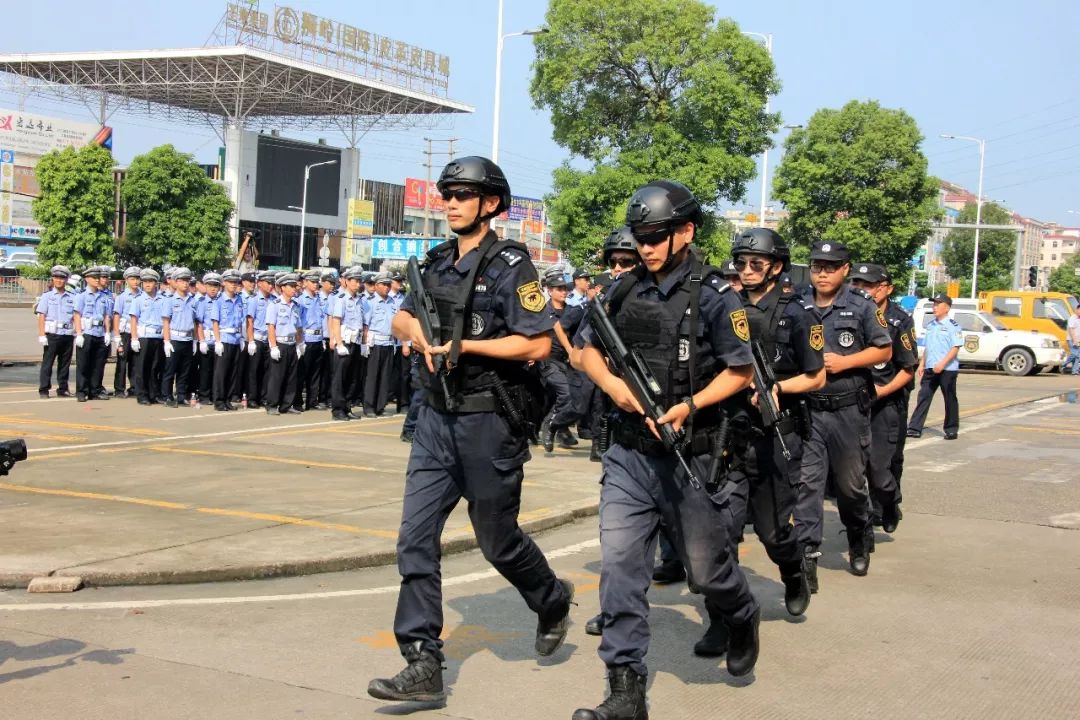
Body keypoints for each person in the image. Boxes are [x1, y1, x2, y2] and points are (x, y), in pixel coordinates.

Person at [368, 156, 573, 705]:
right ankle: (422, 659)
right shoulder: (434, 262)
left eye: (463, 194)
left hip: (488, 421)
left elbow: (536, 343)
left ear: (490, 203)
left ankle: (551, 597)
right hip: (436, 418)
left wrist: (464, 347)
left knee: (497, 541)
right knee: (415, 537)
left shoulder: (512, 267)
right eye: (448, 193)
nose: (451, 202)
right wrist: (419, 335)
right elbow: (401, 318)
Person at [574, 181, 761, 720]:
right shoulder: (621, 289)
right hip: (630, 455)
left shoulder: (715, 296)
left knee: (706, 571)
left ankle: (740, 611)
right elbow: (585, 351)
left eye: (656, 236)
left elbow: (740, 369)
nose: (647, 246)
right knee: (620, 566)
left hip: (691, 452)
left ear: (686, 232)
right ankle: (625, 690)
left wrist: (691, 405)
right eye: (640, 236)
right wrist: (615, 389)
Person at [726, 228, 824, 623]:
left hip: (777, 432)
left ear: (776, 268)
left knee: (772, 532)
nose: (746, 271)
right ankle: (726, 615)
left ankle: (793, 570)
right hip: (731, 430)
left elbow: (815, 377)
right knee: (722, 528)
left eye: (756, 264)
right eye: (741, 263)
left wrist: (778, 386)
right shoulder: (726, 308)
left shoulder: (798, 314)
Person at [795, 242, 892, 588]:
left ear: (845, 270)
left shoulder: (861, 305)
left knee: (850, 486)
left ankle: (858, 533)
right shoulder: (798, 303)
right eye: (817, 266)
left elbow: (884, 348)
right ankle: (806, 557)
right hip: (810, 410)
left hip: (849, 410)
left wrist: (845, 362)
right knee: (808, 486)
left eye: (830, 266)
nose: (822, 272)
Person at [849, 265, 918, 536]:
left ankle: (888, 503)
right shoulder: (846, 315)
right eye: (858, 284)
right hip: (852, 403)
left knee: (883, 467)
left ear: (886, 288)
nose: (863, 291)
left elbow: (907, 370)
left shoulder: (899, 321)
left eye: (870, 285)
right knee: (852, 472)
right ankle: (863, 526)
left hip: (886, 403)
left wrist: (879, 392)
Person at [906, 294, 962, 440]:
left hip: (947, 369)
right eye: (934, 304)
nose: (935, 307)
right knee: (923, 396)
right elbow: (928, 347)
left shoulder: (953, 326)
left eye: (938, 304)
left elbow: (955, 347)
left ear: (947, 307)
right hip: (931, 368)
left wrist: (942, 364)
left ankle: (951, 429)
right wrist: (922, 364)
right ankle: (914, 428)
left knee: (950, 399)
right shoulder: (931, 325)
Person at [539, 269, 583, 452]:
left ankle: (562, 429)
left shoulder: (573, 311)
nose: (563, 292)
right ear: (549, 290)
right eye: (558, 289)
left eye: (565, 288)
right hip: (546, 360)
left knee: (578, 397)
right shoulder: (542, 311)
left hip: (567, 363)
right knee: (565, 393)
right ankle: (550, 426)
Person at [328, 267, 366, 421]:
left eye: (359, 281)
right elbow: (336, 321)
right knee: (340, 377)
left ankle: (347, 406)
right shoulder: (341, 298)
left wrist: (363, 343)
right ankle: (338, 410)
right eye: (355, 281)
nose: (358, 284)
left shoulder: (359, 300)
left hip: (356, 341)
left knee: (353, 378)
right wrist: (339, 343)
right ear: (347, 281)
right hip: (345, 341)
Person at [264, 274, 304, 415]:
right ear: (282, 288)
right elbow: (271, 327)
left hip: (292, 343)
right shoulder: (274, 305)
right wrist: (273, 346)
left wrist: (300, 344)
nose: (294, 289)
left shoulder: (295, 305)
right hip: (280, 343)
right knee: (277, 376)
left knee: (291, 377)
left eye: (295, 286)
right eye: (291, 286)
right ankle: (272, 405)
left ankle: (287, 404)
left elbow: (299, 327)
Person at [72, 266, 113, 402]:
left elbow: (106, 315)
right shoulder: (81, 296)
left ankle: (95, 390)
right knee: (83, 364)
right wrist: (78, 334)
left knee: (98, 364)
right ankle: (82, 391)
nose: (97, 280)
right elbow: (77, 315)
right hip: (87, 332)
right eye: (94, 277)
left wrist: (107, 333)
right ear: (87, 279)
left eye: (98, 277)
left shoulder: (104, 296)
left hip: (100, 332)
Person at [36, 265, 77, 399]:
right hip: (52, 334)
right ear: (53, 279)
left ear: (66, 280)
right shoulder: (47, 296)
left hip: (67, 334)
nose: (59, 280)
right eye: (56, 278)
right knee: (48, 362)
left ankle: (63, 388)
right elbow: (41, 315)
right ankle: (44, 389)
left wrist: (77, 332)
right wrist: (42, 334)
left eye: (62, 278)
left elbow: (75, 316)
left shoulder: (72, 297)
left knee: (64, 364)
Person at [160, 268, 198, 407]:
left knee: (184, 371)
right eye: (182, 281)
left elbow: (195, 321)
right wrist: (166, 341)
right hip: (174, 338)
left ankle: (181, 396)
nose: (185, 284)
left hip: (187, 339)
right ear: (175, 282)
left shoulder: (192, 301)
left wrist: (194, 340)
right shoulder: (170, 300)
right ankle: (167, 396)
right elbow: (166, 321)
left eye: (187, 281)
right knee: (170, 370)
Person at [129, 269, 167, 405]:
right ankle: (142, 394)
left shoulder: (163, 300)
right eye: (145, 282)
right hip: (144, 336)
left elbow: (165, 319)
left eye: (150, 282)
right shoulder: (138, 300)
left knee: (155, 367)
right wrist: (134, 338)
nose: (147, 284)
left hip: (158, 336)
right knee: (142, 367)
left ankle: (153, 393)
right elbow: (134, 319)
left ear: (156, 283)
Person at [211, 270, 246, 411]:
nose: (233, 285)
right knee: (221, 372)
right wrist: (217, 341)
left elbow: (242, 321)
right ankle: (219, 401)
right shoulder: (219, 301)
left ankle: (227, 399)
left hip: (236, 339)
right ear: (224, 283)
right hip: (224, 339)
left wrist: (243, 338)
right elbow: (215, 322)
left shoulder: (239, 300)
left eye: (236, 282)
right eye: (231, 282)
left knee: (233, 372)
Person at [363, 272, 397, 417]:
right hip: (375, 343)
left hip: (389, 342)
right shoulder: (370, 302)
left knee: (385, 377)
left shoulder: (392, 302)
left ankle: (380, 406)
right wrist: (364, 344)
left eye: (389, 285)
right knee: (372, 376)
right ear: (376, 286)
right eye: (383, 284)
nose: (387, 287)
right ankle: (369, 406)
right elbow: (365, 325)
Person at [295, 271, 326, 411]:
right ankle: (297, 402)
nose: (315, 285)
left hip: (318, 339)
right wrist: (299, 342)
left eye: (316, 282)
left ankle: (312, 401)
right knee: (302, 372)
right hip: (306, 339)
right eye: (312, 282)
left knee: (315, 373)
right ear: (306, 282)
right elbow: (298, 323)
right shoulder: (301, 300)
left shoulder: (319, 299)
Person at [245, 271, 276, 409]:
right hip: (257, 338)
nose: (270, 286)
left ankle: (264, 397)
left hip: (268, 340)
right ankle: (252, 398)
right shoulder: (254, 300)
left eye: (272, 283)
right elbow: (249, 321)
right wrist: (250, 341)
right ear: (260, 284)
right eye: (268, 283)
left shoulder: (274, 300)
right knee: (254, 370)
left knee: (267, 371)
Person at [111, 267, 142, 398]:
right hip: (125, 332)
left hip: (138, 332)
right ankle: (119, 388)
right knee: (122, 360)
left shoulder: (142, 295)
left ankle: (134, 387)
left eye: (137, 279)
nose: (135, 281)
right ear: (126, 280)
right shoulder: (122, 297)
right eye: (132, 279)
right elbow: (117, 316)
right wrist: (116, 335)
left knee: (135, 361)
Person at [1064, 303, 1080, 375]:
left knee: (1077, 356)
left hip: (1078, 339)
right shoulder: (1072, 318)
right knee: (1075, 354)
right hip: (1071, 339)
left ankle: (1075, 371)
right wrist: (1075, 340)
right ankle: (1064, 364)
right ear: (1076, 309)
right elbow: (1071, 330)